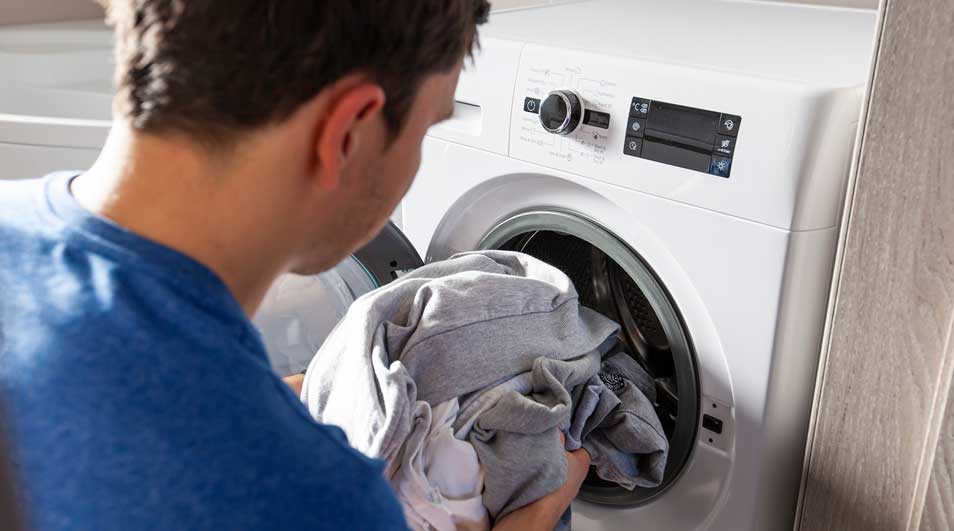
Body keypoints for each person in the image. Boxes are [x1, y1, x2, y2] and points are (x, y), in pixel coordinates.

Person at [0, 1, 592, 530]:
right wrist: (542, 508)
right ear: (348, 132)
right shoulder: (318, 500)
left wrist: (297, 394)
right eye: (427, 130)